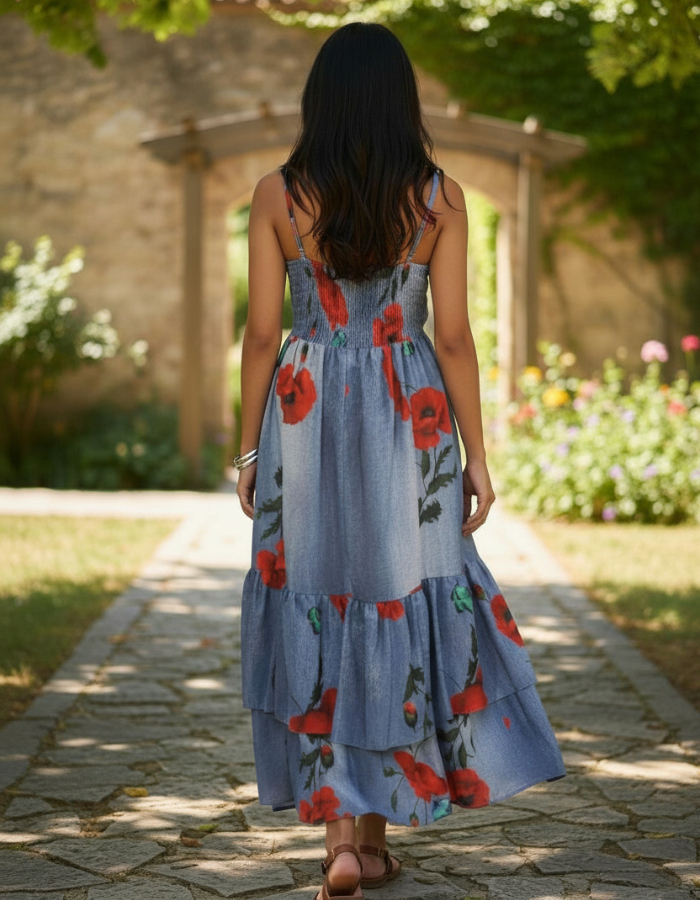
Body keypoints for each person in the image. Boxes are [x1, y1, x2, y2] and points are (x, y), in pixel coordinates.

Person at [236, 22, 565, 900]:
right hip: (404, 405)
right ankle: (374, 838)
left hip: (304, 410)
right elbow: (452, 335)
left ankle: (338, 838)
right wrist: (477, 457)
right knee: (397, 595)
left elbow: (262, 334)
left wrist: (249, 448)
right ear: (399, 100)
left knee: (318, 596)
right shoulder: (438, 198)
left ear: (320, 100)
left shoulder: (277, 195)